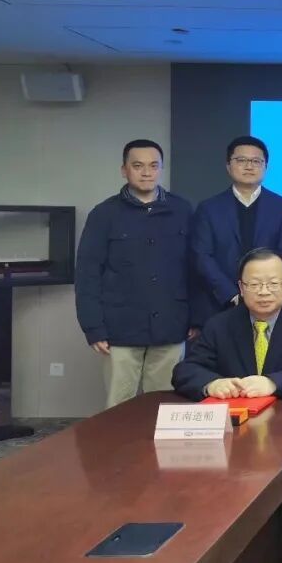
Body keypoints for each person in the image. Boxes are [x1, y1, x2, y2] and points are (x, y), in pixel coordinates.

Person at [75, 139, 194, 408]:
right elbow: (87, 274)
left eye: (154, 165)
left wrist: (195, 318)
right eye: (138, 166)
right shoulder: (104, 214)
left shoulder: (182, 209)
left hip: (171, 324)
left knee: (165, 406)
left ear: (161, 169)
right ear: (124, 170)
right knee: (119, 407)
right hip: (120, 327)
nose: (146, 172)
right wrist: (93, 327)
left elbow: (193, 269)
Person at [173, 248, 282, 400]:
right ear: (241, 288)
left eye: (273, 284)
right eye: (254, 284)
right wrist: (212, 384)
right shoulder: (219, 326)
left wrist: (273, 383)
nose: (264, 292)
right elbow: (185, 371)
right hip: (236, 414)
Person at [190, 136, 282, 326]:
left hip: (267, 303)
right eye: (241, 160)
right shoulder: (208, 208)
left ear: (265, 167)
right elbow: (202, 257)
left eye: (256, 161)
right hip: (219, 304)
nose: (249, 166)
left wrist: (260, 291)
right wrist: (231, 294)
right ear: (228, 166)